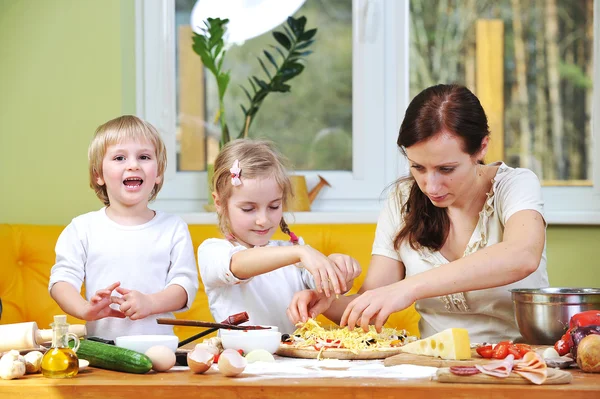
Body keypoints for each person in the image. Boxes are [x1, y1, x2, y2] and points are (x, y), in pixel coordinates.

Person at [287, 84, 548, 343]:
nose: (430, 186)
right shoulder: (402, 200)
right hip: (431, 369)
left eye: (446, 169)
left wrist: (408, 288)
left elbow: (522, 255)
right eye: (418, 167)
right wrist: (324, 302)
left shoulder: (515, 185)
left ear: (481, 148)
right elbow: (371, 301)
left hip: (517, 364)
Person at [49, 115, 199, 340]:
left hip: (159, 349)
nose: (133, 165)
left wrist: (151, 302)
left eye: (144, 157)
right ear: (98, 174)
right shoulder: (82, 228)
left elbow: (184, 287)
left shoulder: (173, 228)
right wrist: (83, 309)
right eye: (119, 157)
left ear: (157, 173)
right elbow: (61, 281)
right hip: (102, 350)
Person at [197, 139, 361, 334]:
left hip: (291, 361)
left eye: (274, 206)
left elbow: (328, 292)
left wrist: (338, 269)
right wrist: (300, 252)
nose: (263, 220)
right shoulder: (214, 251)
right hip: (242, 361)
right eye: (248, 209)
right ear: (219, 203)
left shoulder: (294, 253)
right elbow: (238, 265)